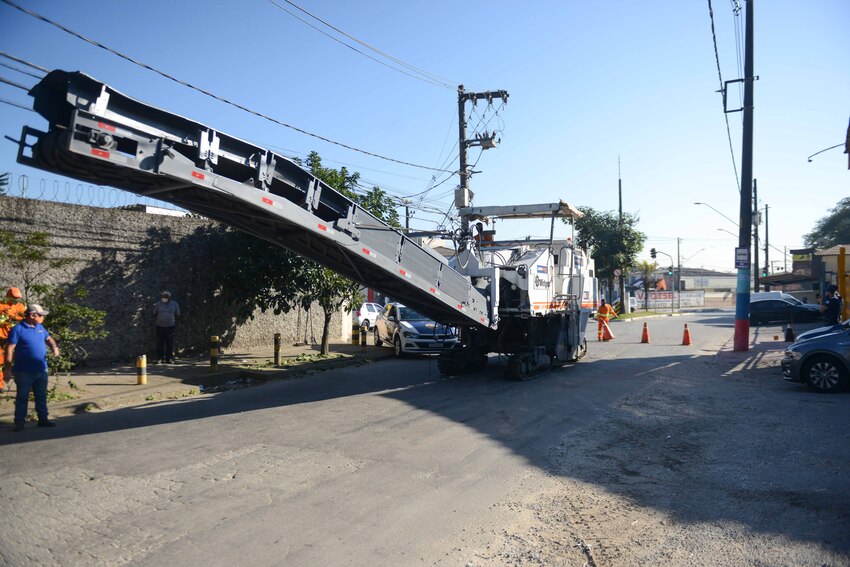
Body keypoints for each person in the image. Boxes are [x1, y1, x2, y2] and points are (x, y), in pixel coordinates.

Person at [5, 304, 60, 432]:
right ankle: (19, 422)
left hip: (41, 369)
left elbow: (49, 338)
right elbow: (9, 349)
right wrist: (8, 369)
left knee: (41, 395)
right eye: (41, 315)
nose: (43, 318)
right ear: (32, 315)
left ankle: (43, 419)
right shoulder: (17, 329)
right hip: (23, 371)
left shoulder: (40, 327)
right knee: (22, 396)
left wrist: (54, 347)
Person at [0, 287, 27, 391]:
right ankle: (0, 385)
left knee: (20, 360)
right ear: (8, 296)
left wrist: (10, 317)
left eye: (17, 297)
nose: (15, 299)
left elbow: (25, 318)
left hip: (16, 339)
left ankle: (25, 384)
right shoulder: (1, 305)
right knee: (0, 362)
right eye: (14, 297)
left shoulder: (20, 306)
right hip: (2, 338)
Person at [153, 290, 180, 363]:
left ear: (169, 298)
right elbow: (155, 313)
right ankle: (159, 358)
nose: (163, 299)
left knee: (169, 343)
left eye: (165, 297)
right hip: (160, 326)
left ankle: (169, 358)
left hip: (170, 326)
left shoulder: (174, 304)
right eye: (162, 297)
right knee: (159, 343)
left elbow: (177, 314)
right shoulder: (158, 304)